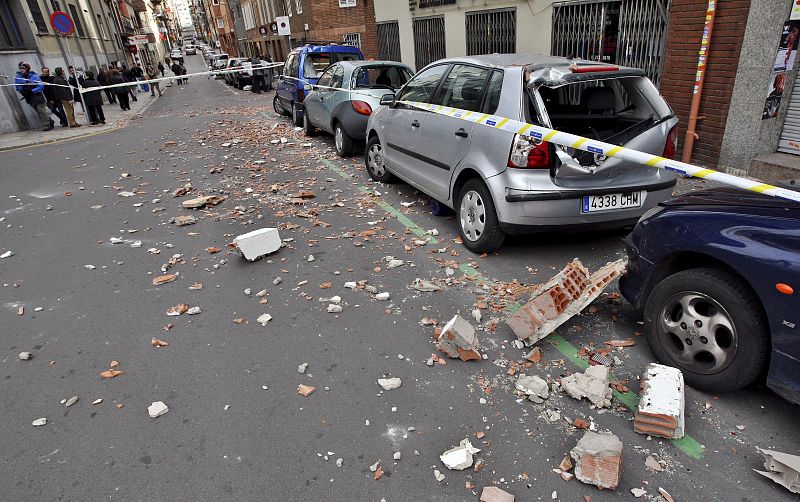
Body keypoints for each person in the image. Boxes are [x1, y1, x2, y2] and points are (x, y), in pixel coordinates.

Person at [15, 62, 54, 131]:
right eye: (20, 68)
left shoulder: (34, 75)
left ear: (27, 68)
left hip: (37, 96)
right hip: (29, 97)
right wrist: (23, 91)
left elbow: (41, 86)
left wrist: (32, 91)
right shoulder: (18, 77)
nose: (21, 70)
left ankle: (46, 125)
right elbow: (18, 87)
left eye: (23, 68)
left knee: (42, 111)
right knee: (38, 112)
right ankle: (50, 121)